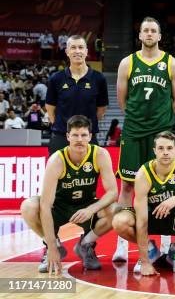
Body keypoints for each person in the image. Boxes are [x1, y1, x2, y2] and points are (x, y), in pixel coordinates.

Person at [113, 17, 175, 262]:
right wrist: (137, 118)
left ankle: (165, 244)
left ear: (160, 36)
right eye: (146, 30)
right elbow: (122, 100)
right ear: (140, 35)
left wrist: (161, 119)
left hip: (161, 133)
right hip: (134, 131)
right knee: (127, 186)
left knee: (164, 186)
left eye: (154, 30)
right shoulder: (127, 63)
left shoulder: (171, 64)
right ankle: (121, 246)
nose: (150, 34)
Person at [20, 115, 118, 274]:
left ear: (90, 136)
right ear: (67, 136)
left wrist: (91, 209)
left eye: (84, 135)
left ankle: (85, 245)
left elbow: (113, 192)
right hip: (59, 206)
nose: (80, 139)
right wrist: (51, 247)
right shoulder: (56, 160)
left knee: (116, 210)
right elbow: (45, 205)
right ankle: (54, 246)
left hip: (85, 205)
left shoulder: (100, 154)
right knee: (28, 206)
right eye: (75, 135)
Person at [112, 131, 175, 275]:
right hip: (151, 217)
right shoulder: (144, 173)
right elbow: (142, 221)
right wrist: (145, 262)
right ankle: (150, 250)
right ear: (154, 151)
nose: (165, 153)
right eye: (161, 148)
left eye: (169, 148)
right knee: (119, 221)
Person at [45, 35, 109, 154]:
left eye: (80, 47)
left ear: (86, 51)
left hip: (88, 138)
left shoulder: (98, 78)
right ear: (67, 52)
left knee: (89, 172)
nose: (77, 51)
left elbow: (101, 109)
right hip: (61, 137)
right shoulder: (56, 78)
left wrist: (86, 127)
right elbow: (50, 108)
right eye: (73, 47)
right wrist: (63, 127)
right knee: (57, 173)